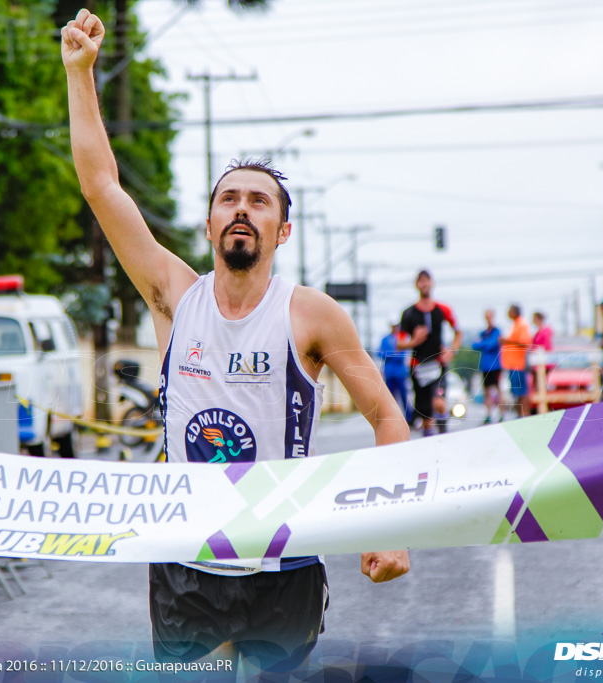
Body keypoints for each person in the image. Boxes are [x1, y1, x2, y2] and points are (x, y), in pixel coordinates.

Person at [61, 10, 410, 676]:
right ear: (210, 220)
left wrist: (391, 524)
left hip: (285, 561)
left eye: (259, 200)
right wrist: (81, 74)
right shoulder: (174, 296)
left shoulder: (311, 315)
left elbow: (387, 416)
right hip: (188, 559)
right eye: (229, 199)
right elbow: (100, 186)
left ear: (281, 231)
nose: (242, 208)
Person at [397, 270, 461, 437]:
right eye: (421, 281)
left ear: (432, 283)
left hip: (438, 364)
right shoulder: (408, 313)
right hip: (418, 367)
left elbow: (458, 331)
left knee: (438, 402)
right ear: (416, 285)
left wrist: (452, 350)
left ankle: (443, 427)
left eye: (427, 281)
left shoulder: (442, 309)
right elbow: (399, 343)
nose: (424, 284)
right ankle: (429, 438)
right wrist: (414, 341)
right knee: (425, 414)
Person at [500, 304, 532, 418]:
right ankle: (520, 415)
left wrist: (507, 341)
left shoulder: (522, 324)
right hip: (512, 364)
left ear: (514, 312)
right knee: (516, 392)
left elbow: (524, 342)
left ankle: (524, 415)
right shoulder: (515, 324)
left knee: (521, 392)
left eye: (509, 310)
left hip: (518, 364)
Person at [377, 323, 413, 424]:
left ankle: (409, 419)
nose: (395, 327)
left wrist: (389, 355)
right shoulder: (385, 339)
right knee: (390, 398)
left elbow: (403, 355)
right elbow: (380, 353)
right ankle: (393, 418)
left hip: (401, 373)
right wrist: (393, 355)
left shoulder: (403, 337)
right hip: (389, 373)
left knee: (404, 397)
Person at [471, 309, 502, 424]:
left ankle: (501, 412)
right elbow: (474, 345)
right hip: (485, 366)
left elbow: (491, 345)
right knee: (487, 391)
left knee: (498, 390)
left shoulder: (496, 331)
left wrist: (483, 343)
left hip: (495, 365)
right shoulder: (484, 332)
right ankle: (489, 414)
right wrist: (484, 343)